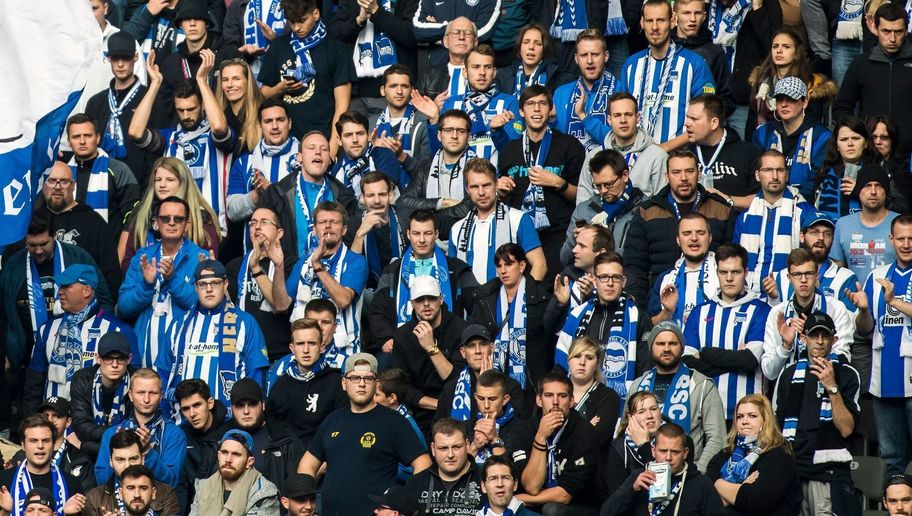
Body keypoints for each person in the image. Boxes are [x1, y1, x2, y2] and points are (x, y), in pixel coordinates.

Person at [298, 353, 432, 515]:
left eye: (368, 378)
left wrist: (401, 501)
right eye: (355, 378)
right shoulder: (332, 420)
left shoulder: (394, 421)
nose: (361, 384)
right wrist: (306, 500)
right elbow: (306, 466)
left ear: (376, 384)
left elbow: (424, 464)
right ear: (344, 383)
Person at [128, 49, 235, 232]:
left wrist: (202, 81)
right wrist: (155, 83)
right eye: (180, 110)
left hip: (211, 226)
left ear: (202, 106)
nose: (186, 115)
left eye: (191, 109)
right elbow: (135, 132)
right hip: (174, 227)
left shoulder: (215, 136)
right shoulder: (170, 138)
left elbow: (218, 127)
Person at [623, 149, 736, 310]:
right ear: (666, 176)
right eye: (676, 172)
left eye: (689, 171)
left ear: (699, 173)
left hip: (714, 305)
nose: (683, 178)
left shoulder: (722, 209)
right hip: (660, 304)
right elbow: (635, 267)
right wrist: (642, 310)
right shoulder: (647, 212)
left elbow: (733, 261)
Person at [773, 312, 861, 516]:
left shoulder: (847, 374)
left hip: (828, 476)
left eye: (825, 336)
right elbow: (778, 427)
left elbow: (847, 429)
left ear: (834, 340)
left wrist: (832, 387)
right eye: (814, 335)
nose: (820, 342)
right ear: (803, 339)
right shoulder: (788, 374)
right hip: (793, 474)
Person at [23, 263, 136, 415]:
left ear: (86, 291)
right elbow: (34, 384)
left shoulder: (118, 330)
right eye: (60, 287)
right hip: (51, 423)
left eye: (66, 286)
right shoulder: (47, 329)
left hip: (95, 424)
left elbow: (134, 383)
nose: (60, 292)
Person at [496, 85, 584, 280]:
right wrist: (501, 192)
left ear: (550, 109)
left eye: (542, 104)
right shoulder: (509, 150)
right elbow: (504, 199)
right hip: (520, 236)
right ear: (521, 111)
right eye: (530, 104)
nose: (536, 109)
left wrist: (558, 183)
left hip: (559, 234)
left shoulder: (569, 146)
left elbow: (582, 197)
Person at [158, 258, 269, 407]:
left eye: (215, 283)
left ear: (225, 285)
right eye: (203, 284)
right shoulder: (178, 324)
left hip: (230, 420)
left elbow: (257, 375)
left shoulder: (245, 323)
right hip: (184, 419)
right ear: (195, 287)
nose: (209, 289)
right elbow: (163, 373)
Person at [369, 208, 478, 356]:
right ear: (408, 234)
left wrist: (465, 337)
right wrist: (385, 338)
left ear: (436, 234)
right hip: (403, 346)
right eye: (416, 233)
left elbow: (479, 306)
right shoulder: (392, 271)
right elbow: (377, 312)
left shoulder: (457, 269)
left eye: (427, 233)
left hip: (448, 346)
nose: (421, 240)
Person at [117, 196, 209, 369]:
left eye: (178, 219)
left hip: (185, 354)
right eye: (165, 218)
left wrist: (172, 279)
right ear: (156, 223)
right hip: (144, 355)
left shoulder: (199, 258)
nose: (171, 223)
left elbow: (203, 305)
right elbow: (123, 308)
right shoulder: (143, 257)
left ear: (187, 225)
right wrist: (146, 285)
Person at [682, 243, 770, 422]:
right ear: (717, 273)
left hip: (749, 415)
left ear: (746, 272)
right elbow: (687, 363)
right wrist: (735, 358)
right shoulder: (700, 312)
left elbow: (749, 361)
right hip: (704, 413)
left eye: (735, 272)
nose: (729, 278)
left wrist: (706, 353)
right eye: (724, 272)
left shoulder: (761, 310)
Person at [552, 252, 651, 406]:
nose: (610, 283)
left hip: (622, 407)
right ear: (595, 280)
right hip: (578, 405)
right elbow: (561, 364)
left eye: (616, 277)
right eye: (604, 277)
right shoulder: (577, 315)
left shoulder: (638, 317)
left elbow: (645, 369)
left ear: (623, 281)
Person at [258, 0, 355, 154]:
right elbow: (264, 93)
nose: (297, 28)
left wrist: (332, 150)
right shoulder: (278, 46)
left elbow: (342, 106)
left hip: (323, 140)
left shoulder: (337, 49)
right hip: (285, 143)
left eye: (302, 21)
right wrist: (281, 88)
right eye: (292, 22)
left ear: (316, 14)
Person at [856, 215, 912, 478]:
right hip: (885, 380)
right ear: (891, 240)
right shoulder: (876, 276)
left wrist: (895, 302)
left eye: (911, 238)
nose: (906, 243)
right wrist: (864, 310)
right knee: (890, 458)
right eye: (900, 238)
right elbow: (865, 329)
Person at [618, 0, 716, 148]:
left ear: (672, 21)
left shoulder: (694, 64)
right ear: (642, 23)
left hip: (679, 157)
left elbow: (704, 119)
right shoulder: (631, 65)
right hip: (636, 156)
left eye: (661, 20)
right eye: (650, 21)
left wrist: (662, 150)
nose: (655, 27)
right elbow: (621, 112)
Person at [631, 321, 727, 472]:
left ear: (682, 348)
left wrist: (696, 474)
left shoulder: (702, 385)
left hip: (687, 475)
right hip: (641, 472)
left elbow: (717, 438)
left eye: (673, 343)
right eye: (661, 343)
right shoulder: (637, 385)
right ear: (651, 349)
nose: (667, 348)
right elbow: (628, 429)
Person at [284, 201, 368, 367]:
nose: (328, 226)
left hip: (345, 354)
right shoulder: (302, 264)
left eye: (334, 222)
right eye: (323, 222)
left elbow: (343, 300)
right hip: (307, 354)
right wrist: (279, 265)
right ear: (314, 230)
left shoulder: (355, 261)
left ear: (344, 229)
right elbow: (282, 304)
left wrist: (317, 266)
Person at [255, 130, 358, 258]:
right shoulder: (276, 193)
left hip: (333, 272)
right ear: (299, 157)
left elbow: (350, 240)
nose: (318, 152)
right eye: (311, 148)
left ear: (329, 159)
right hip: (289, 273)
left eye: (324, 149)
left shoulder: (345, 197)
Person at [413, 46, 522, 165]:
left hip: (495, 181)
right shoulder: (451, 103)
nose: (482, 73)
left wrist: (497, 132)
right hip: (457, 181)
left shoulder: (509, 102)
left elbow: (514, 155)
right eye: (475, 67)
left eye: (488, 67)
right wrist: (434, 120)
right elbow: (438, 154)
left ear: (494, 72)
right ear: (465, 72)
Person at [510, 372, 599, 515]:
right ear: (539, 400)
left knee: (551, 509)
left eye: (562, 396)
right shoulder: (523, 430)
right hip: (532, 506)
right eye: (549, 395)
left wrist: (523, 499)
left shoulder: (585, 433)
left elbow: (564, 495)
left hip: (578, 507)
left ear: (571, 401)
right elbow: (532, 486)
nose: (555, 402)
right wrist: (540, 437)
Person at [391, 275, 471, 431]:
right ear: (412, 304)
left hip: (459, 408)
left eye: (431, 298)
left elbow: (459, 380)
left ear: (441, 299)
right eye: (420, 300)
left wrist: (431, 348)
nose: (426, 304)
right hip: (419, 412)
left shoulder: (461, 329)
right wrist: (439, 405)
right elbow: (402, 388)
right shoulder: (402, 336)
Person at [761, 248, 855, 381]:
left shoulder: (836, 308)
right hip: (786, 394)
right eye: (797, 274)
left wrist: (812, 335)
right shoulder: (777, 313)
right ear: (789, 277)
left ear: (817, 276)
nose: (803, 279)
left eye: (809, 274)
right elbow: (769, 372)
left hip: (825, 390)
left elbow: (843, 359)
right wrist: (786, 346)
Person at [449, 158, 546, 283]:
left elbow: (540, 265)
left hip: (506, 300)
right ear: (467, 190)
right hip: (467, 301)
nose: (481, 192)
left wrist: (523, 298)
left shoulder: (518, 219)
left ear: (496, 184)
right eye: (474, 187)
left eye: (486, 185)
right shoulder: (457, 229)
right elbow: (452, 275)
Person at [733, 150, 815, 298]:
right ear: (757, 175)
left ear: (787, 174)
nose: (775, 176)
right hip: (749, 295)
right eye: (768, 170)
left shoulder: (804, 213)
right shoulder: (745, 217)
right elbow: (736, 260)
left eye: (780, 170)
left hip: (789, 294)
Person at [834, 2, 912, 156]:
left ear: (906, 31)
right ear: (875, 29)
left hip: (910, 155)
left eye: (898, 31)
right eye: (886, 31)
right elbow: (842, 107)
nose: (892, 38)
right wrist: (859, 134)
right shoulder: (861, 64)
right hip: (871, 154)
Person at [469, 244, 550, 391]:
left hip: (532, 379)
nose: (503, 271)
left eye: (509, 264)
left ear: (522, 265)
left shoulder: (542, 297)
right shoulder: (484, 297)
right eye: (499, 266)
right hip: (495, 379)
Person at [705, 394, 802, 516]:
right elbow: (705, 496)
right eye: (740, 417)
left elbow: (755, 502)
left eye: (752, 416)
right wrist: (742, 487)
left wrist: (718, 483)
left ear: (765, 420)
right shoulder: (726, 453)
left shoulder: (779, 455)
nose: (744, 421)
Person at [118, 157, 221, 270]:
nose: (162, 185)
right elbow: (128, 261)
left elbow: (210, 266)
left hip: (188, 285)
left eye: (170, 180)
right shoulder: (143, 213)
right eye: (158, 180)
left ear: (183, 183)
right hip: (145, 285)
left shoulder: (201, 218)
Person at [602, 422, 725, 516]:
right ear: (653, 451)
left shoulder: (702, 484)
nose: (668, 457)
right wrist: (632, 490)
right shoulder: (639, 477)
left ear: (685, 453)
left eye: (675, 452)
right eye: (663, 451)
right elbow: (606, 513)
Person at [38, 161, 122, 295]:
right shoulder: (32, 220)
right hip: (38, 304)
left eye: (64, 181)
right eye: (52, 181)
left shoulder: (93, 222)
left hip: (83, 306)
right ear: (43, 184)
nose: (57, 186)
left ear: (73, 186)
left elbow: (110, 273)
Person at [84, 31, 155, 190]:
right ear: (108, 58)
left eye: (126, 57)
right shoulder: (96, 102)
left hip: (141, 182)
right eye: (116, 58)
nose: (121, 64)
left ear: (136, 57)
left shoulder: (149, 97)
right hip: (101, 184)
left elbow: (157, 146)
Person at [95, 369, 187, 489]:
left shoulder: (174, 434)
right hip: (116, 505)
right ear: (130, 395)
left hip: (157, 505)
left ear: (161, 396)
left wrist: (148, 452)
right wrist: (117, 455)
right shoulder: (112, 434)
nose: (146, 399)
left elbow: (170, 482)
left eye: (153, 393)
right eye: (140, 392)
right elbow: (101, 482)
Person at [226, 207, 296, 361]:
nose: (257, 227)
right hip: (243, 353)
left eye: (264, 222)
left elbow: (281, 306)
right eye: (253, 223)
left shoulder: (291, 263)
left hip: (279, 355)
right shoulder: (235, 265)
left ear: (279, 233)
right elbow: (228, 308)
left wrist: (256, 269)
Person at [327, 0, 418, 115]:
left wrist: (376, 12)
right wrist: (358, 20)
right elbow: (333, 35)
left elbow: (411, 35)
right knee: (354, 132)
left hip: (395, 91)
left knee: (392, 133)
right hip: (356, 91)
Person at [266, 318, 347, 447]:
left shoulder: (336, 383)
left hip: (323, 460)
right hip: (286, 459)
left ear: (321, 347)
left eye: (312, 343)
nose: (305, 350)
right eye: (300, 343)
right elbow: (272, 425)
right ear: (292, 348)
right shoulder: (281, 384)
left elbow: (341, 429)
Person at [572, 92, 668, 200]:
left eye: (628, 114)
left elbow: (662, 203)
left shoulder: (657, 156)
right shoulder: (594, 156)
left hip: (641, 216)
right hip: (598, 216)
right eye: (617, 115)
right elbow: (583, 202)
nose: (623, 120)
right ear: (609, 120)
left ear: (637, 118)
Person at [764, 210, 861, 315]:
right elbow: (775, 321)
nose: (821, 238)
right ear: (802, 236)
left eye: (827, 234)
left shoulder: (845, 278)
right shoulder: (782, 276)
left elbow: (850, 325)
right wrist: (774, 299)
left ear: (833, 240)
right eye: (815, 232)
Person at [751, 76, 832, 200]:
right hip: (767, 202)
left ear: (804, 102)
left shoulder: (821, 136)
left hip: (806, 205)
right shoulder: (763, 133)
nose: (784, 104)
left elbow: (818, 180)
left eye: (791, 99)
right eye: (779, 99)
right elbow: (754, 174)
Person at [746, 29, 835, 140]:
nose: (779, 51)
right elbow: (751, 122)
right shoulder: (761, 82)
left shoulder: (810, 85)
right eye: (775, 46)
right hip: (763, 144)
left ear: (797, 53)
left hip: (799, 145)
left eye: (786, 47)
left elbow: (813, 124)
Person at [561, 151, 646, 265]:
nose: (603, 191)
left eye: (608, 184)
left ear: (625, 175)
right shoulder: (584, 210)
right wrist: (574, 239)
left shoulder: (645, 209)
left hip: (629, 277)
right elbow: (564, 259)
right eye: (598, 186)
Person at [397, 110, 475, 231]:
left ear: (469, 137)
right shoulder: (426, 166)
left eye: (461, 131)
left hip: (465, 233)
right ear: (439, 135)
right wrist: (441, 203)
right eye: (448, 130)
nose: (454, 136)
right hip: (429, 237)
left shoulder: (478, 167)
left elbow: (473, 206)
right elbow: (403, 202)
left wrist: (431, 216)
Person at [64, 113, 141, 236]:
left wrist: (120, 253)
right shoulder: (63, 173)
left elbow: (133, 215)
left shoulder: (118, 169)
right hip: (70, 249)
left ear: (98, 138)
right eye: (76, 137)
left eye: (87, 136)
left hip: (109, 249)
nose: (82, 141)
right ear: (68, 141)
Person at [226, 98, 300, 225]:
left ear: (290, 123)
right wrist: (256, 196)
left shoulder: (305, 157)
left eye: (280, 120)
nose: (275, 126)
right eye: (268, 121)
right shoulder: (244, 162)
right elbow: (231, 211)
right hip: (255, 244)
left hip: (297, 242)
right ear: (260, 126)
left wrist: (272, 192)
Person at [434, 327, 525, 427]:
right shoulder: (451, 388)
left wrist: (487, 383)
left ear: (492, 348)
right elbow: (439, 426)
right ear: (463, 353)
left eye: (483, 344)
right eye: (471, 346)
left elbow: (519, 428)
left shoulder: (511, 386)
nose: (478, 351)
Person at [683, 95, 760, 210]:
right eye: (687, 117)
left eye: (694, 119)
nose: (686, 123)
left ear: (714, 123)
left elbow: (764, 198)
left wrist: (728, 200)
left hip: (733, 224)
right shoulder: (684, 155)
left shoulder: (747, 152)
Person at [551, 29, 619, 154]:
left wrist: (583, 116)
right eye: (584, 55)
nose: (589, 61)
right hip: (570, 169)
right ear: (576, 59)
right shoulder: (561, 94)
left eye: (595, 54)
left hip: (608, 168)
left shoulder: (620, 90)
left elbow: (619, 141)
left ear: (606, 56)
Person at [0, 416, 84, 516]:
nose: (40, 446)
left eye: (45, 440)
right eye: (33, 440)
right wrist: (5, 512)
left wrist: (69, 515)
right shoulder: (3, 480)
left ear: (53, 444)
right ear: (23, 445)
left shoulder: (72, 483)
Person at [829, 163, 900, 282]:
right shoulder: (843, 225)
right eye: (867, 185)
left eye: (878, 186)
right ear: (858, 190)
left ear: (886, 191)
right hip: (853, 298)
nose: (873, 191)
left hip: (893, 297)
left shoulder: (900, 224)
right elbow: (837, 271)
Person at [69, 332, 136, 457]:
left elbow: (134, 434)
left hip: (127, 453)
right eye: (108, 358)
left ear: (129, 359)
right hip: (90, 456)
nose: (115, 365)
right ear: (98, 358)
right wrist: (117, 433)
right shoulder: (83, 379)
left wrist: (85, 446)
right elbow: (81, 428)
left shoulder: (137, 380)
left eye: (120, 358)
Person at [229, 378, 306, 487]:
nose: (246, 411)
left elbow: (299, 489)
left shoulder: (285, 441)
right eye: (240, 406)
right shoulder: (217, 442)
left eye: (252, 404)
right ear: (231, 408)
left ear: (263, 405)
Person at [82, 433, 181, 516]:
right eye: (120, 460)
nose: (127, 465)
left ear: (142, 459)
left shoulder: (165, 494)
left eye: (133, 459)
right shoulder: (94, 498)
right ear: (111, 462)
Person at [648, 213, 720, 326]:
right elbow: (651, 326)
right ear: (678, 240)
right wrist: (668, 311)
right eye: (687, 233)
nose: (694, 238)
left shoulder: (725, 274)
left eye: (701, 233)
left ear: (710, 238)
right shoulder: (665, 279)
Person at [174, 378, 234, 511]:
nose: (192, 414)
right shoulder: (181, 436)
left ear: (210, 403)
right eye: (186, 409)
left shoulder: (230, 432)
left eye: (197, 405)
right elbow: (181, 485)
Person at [401, 418, 484, 514]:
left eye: (456, 447)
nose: (450, 455)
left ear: (467, 445)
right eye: (443, 448)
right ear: (433, 449)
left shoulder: (485, 478)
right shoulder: (416, 483)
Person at [189, 429, 281, 515]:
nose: (228, 459)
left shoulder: (264, 492)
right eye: (224, 452)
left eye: (236, 454)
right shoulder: (203, 487)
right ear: (218, 455)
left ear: (249, 462)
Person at [10, 398, 94, 492]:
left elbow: (85, 496)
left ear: (68, 421)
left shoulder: (80, 459)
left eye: (56, 416)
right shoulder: (21, 456)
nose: (50, 420)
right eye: (46, 415)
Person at [672, 0, 734, 113]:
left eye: (697, 13)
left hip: (703, 127)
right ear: (675, 15)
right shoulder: (664, 49)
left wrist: (706, 116)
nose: (692, 19)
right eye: (686, 13)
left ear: (704, 16)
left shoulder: (715, 52)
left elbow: (727, 100)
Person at [813, 117, 880, 221]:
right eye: (844, 139)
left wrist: (859, 191)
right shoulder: (824, 174)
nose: (850, 144)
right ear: (837, 146)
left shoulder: (878, 172)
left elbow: (895, 209)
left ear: (866, 143)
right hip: (830, 233)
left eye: (856, 138)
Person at [369, 64, 430, 175]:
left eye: (405, 86)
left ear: (412, 90)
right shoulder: (371, 123)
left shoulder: (424, 122)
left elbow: (428, 172)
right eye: (393, 86)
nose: (399, 91)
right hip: (378, 191)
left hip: (414, 190)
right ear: (383, 90)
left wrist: (402, 156)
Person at [349, 173, 408, 287]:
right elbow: (350, 270)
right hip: (366, 290)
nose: (377, 200)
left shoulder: (406, 218)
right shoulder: (353, 224)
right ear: (362, 198)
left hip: (402, 286)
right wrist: (360, 233)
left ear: (391, 196)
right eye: (370, 195)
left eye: (382, 194)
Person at [330, 111, 407, 197]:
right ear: (339, 140)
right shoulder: (337, 170)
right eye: (348, 135)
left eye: (360, 134)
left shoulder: (383, 155)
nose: (355, 140)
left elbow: (383, 195)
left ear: (368, 136)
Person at [266, 299, 340, 387]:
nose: (319, 328)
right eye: (313, 322)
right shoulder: (282, 365)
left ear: (335, 327)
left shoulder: (346, 364)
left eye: (325, 322)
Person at [601, 391, 663, 494]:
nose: (649, 415)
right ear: (630, 418)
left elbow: (661, 485)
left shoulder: (675, 438)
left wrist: (644, 446)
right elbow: (616, 498)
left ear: (660, 411)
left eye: (653, 409)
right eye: (641, 411)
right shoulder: (619, 447)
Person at [566, 337, 621, 452]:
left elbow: (598, 439)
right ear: (568, 360)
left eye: (589, 358)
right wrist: (586, 426)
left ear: (597, 363)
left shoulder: (609, 397)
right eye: (577, 356)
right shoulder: (554, 392)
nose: (582, 362)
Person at [495, 23, 571, 99]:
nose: (531, 47)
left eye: (538, 44)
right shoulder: (502, 77)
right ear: (519, 47)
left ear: (544, 49)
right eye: (526, 42)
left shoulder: (558, 79)